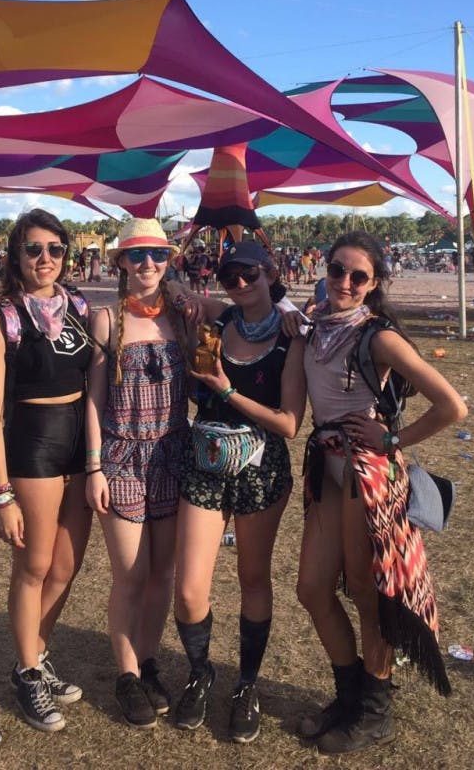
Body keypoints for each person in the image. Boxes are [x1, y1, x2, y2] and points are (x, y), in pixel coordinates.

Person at [297, 230, 466, 755]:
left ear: (373, 284)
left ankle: (374, 709)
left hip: (366, 472)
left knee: (367, 593)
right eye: (337, 270)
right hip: (326, 467)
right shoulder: (315, 326)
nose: (345, 282)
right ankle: (350, 693)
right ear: (325, 271)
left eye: (358, 276)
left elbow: (452, 406)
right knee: (312, 588)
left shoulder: (379, 337)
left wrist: (394, 439)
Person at [172, 242, 306, 743]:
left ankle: (246, 685)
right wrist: (183, 297)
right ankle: (200, 672)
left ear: (270, 272)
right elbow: (176, 288)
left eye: (249, 273)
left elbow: (290, 424)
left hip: (261, 469)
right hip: (205, 461)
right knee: (189, 590)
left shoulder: (292, 337)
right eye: (230, 276)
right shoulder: (222, 317)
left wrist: (227, 390)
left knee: (253, 577)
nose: (240, 283)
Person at [0, 208, 94, 733]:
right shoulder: (1, 316)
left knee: (66, 566)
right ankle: (27, 672)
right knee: (34, 566)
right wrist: (2, 495)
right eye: (34, 249)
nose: (45, 258)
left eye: (55, 249)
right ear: (16, 255)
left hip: (79, 445)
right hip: (34, 447)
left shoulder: (78, 306)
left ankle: (36, 656)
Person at [85, 218, 192, 730]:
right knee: (130, 575)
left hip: (173, 454)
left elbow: (250, 306)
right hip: (122, 457)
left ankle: (149, 663)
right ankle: (126, 675)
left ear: (169, 261)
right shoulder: (106, 320)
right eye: (137, 254)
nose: (148, 263)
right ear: (121, 262)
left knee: (162, 574)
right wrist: (94, 467)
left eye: (159, 254)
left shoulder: (183, 318)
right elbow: (93, 399)